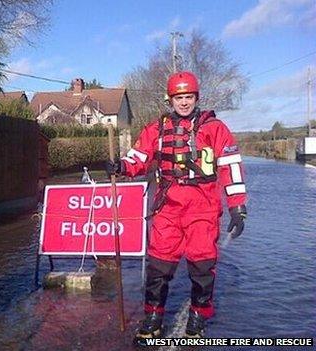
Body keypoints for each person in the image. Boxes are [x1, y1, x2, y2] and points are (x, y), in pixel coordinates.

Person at [106, 71, 247, 342]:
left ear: (196, 97)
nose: (184, 102)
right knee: (159, 266)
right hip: (168, 208)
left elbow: (231, 167)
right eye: (179, 97)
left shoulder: (215, 129)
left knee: (202, 266)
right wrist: (122, 166)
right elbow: (139, 157)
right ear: (171, 99)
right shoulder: (156, 129)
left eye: (189, 97)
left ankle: (197, 317)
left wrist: (237, 206)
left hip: (202, 208)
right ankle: (153, 318)